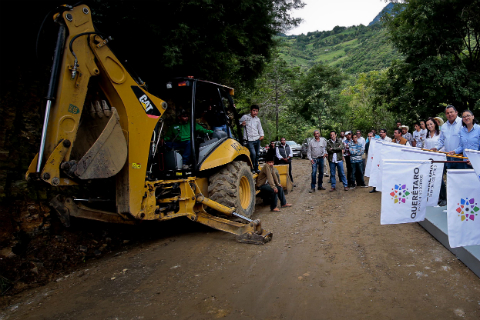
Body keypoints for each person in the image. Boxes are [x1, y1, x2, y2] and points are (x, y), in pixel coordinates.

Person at [240, 105, 264, 173]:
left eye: (256, 111)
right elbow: (239, 123)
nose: (255, 112)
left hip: (257, 138)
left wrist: (262, 135)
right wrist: (242, 124)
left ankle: (256, 167)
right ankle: (252, 167)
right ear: (250, 111)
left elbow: (260, 128)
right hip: (249, 139)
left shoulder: (257, 119)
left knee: (257, 154)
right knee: (252, 154)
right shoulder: (245, 117)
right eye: (254, 110)